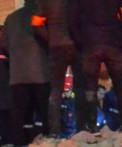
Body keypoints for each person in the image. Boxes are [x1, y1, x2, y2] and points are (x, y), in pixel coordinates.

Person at [69, 0, 122, 131]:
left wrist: (80, 41)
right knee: (120, 85)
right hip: (112, 44)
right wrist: (121, 39)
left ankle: (91, 123)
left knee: (90, 87)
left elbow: (72, 20)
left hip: (90, 45)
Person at [32, 0, 87, 137]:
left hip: (56, 47)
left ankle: (54, 131)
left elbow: (36, 24)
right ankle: (83, 127)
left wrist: (50, 39)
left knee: (56, 89)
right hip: (76, 46)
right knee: (80, 88)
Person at [1, 0, 51, 145]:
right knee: (44, 112)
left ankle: (20, 143)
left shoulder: (11, 18)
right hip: (40, 73)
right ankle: (48, 140)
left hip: (18, 76)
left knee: (21, 114)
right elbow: (48, 38)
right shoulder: (41, 14)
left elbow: (4, 44)